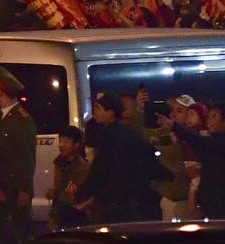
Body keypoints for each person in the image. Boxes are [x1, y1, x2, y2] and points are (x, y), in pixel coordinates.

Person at [0, 68, 38, 244]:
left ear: (0, 91)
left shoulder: (21, 120)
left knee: (19, 237)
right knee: (2, 238)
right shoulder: (1, 116)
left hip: (14, 189)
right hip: (2, 186)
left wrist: (24, 189)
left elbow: (26, 157)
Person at [84, 91, 158, 224]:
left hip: (113, 199)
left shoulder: (108, 135)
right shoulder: (129, 133)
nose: (95, 112)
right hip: (130, 198)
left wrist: (83, 192)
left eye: (98, 109)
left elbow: (100, 169)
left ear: (111, 112)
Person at [49, 125, 90, 229]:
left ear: (76, 145)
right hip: (60, 215)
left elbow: (73, 197)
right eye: (60, 141)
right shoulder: (60, 162)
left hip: (75, 218)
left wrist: (56, 193)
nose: (61, 145)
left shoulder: (81, 167)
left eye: (66, 142)